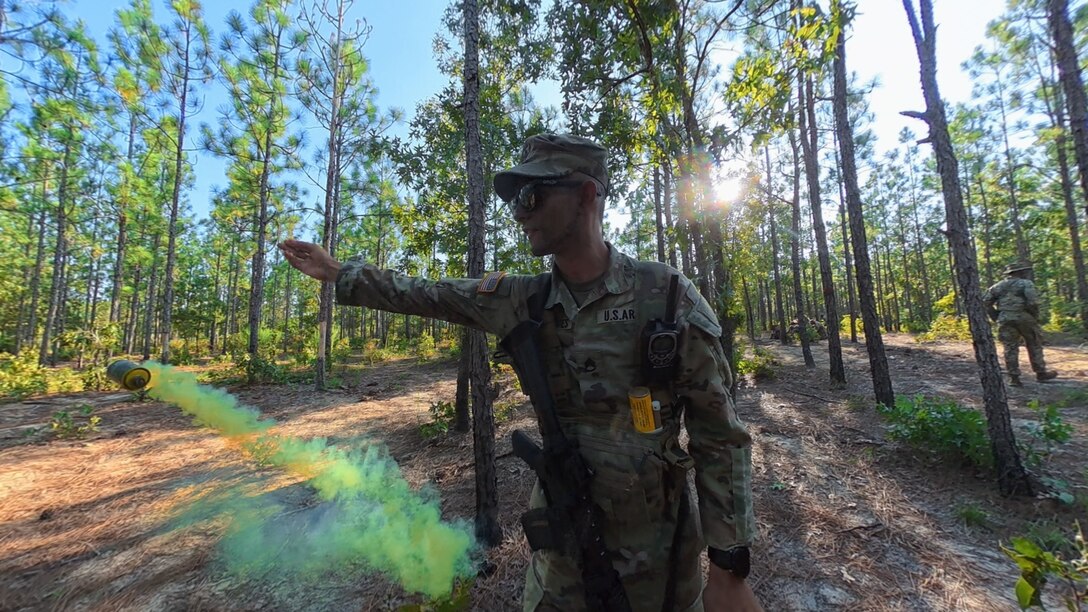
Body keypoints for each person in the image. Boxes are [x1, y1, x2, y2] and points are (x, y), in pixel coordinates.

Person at [279, 133, 760, 612]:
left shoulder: (666, 296)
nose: (519, 212)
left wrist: (728, 567)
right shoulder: (521, 299)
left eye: (532, 195)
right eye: (514, 199)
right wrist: (341, 273)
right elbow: (429, 292)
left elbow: (719, 436)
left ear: (587, 194)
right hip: (564, 559)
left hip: (661, 570)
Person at [982, 261, 1059, 387]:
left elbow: (986, 302)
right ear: (1019, 272)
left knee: (1010, 347)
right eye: (1024, 271)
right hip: (1024, 317)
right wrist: (1034, 316)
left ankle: (1014, 378)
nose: (1025, 273)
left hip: (1005, 318)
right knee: (1034, 343)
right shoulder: (1026, 284)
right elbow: (1033, 302)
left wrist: (996, 316)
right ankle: (1040, 373)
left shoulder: (997, 286)